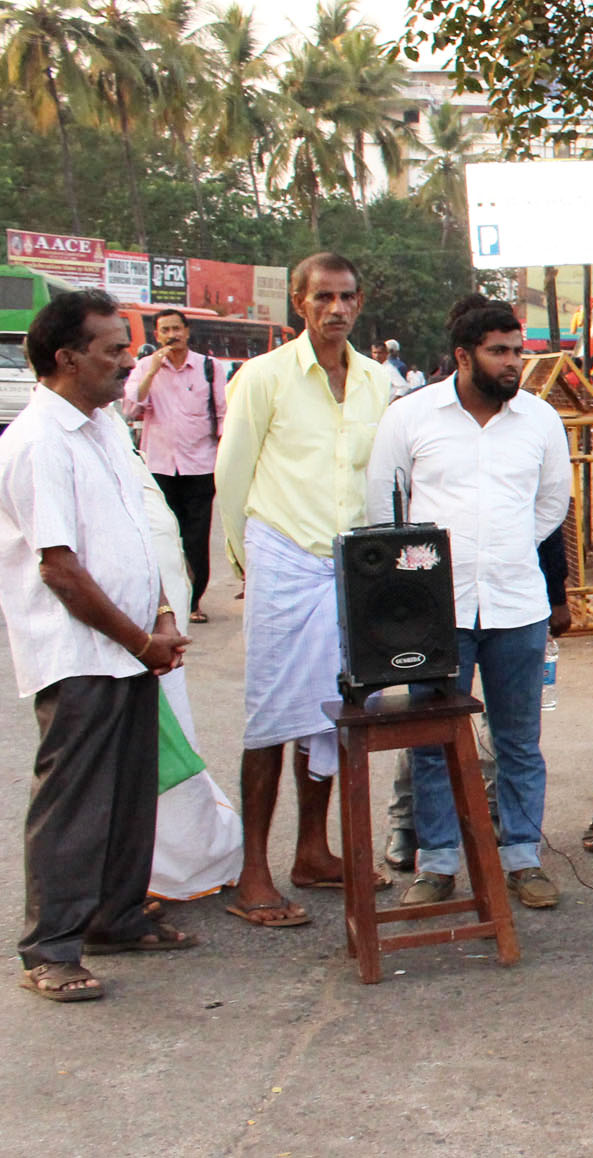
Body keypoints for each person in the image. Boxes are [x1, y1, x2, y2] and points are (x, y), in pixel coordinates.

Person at [0, 290, 198, 1003]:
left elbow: (136, 531)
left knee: (128, 793)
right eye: (114, 349)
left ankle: (115, 917)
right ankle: (49, 948)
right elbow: (61, 570)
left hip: (134, 645)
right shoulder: (36, 442)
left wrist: (166, 615)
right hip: (80, 652)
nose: (128, 360)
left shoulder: (105, 425)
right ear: (66, 358)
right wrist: (142, 640)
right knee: (75, 802)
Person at [366, 304, 573, 910]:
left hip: (517, 604)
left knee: (518, 741)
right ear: (463, 355)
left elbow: (549, 507)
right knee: (433, 740)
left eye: (517, 351)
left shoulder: (539, 420)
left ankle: (522, 860)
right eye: (499, 352)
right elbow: (385, 509)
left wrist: (502, 552)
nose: (513, 364)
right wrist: (421, 583)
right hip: (436, 614)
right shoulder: (410, 417)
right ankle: (437, 865)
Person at [214, 252, 393, 928]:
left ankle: (313, 851)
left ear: (359, 301)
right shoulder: (262, 379)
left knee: (336, 713)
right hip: (283, 557)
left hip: (354, 567)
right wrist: (245, 563)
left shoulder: (380, 381)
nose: (337, 309)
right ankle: (253, 873)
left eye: (347, 297)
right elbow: (232, 479)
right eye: (323, 297)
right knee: (269, 718)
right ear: (299, 302)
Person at [121, 308, 227, 625]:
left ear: (187, 331)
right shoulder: (144, 367)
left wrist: (223, 455)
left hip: (200, 466)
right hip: (160, 466)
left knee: (196, 537)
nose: (172, 335)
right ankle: (164, 600)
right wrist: (152, 371)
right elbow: (129, 408)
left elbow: (222, 412)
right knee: (163, 535)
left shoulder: (210, 368)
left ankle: (193, 601)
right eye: (165, 330)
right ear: (157, 335)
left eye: (176, 328)